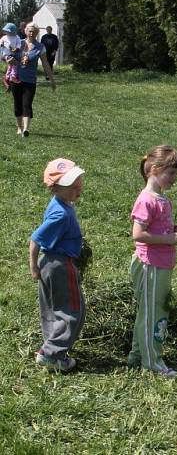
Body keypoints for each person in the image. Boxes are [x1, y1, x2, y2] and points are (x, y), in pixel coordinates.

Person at [128, 145, 177, 377]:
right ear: (155, 169)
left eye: (176, 175)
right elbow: (138, 234)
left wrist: (170, 230)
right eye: (171, 173)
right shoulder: (146, 200)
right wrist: (167, 238)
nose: (174, 179)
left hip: (160, 264)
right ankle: (153, 362)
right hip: (150, 264)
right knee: (154, 313)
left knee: (148, 311)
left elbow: (154, 227)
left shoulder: (160, 197)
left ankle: (138, 354)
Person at [29, 158, 87, 372]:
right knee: (73, 310)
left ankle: (51, 348)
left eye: (78, 181)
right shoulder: (61, 214)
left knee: (52, 308)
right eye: (72, 185)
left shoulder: (62, 203)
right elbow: (35, 239)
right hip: (60, 264)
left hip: (51, 263)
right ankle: (52, 354)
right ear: (55, 188)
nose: (78, 186)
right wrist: (33, 267)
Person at [9, 22, 56, 136]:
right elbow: (8, 55)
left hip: (30, 80)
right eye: (29, 31)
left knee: (27, 103)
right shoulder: (18, 43)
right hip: (16, 78)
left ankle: (26, 129)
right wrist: (8, 59)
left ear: (37, 33)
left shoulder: (40, 47)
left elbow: (45, 64)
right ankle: (19, 128)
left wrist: (52, 80)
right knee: (18, 104)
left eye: (34, 31)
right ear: (25, 31)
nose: (31, 33)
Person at [1, 22, 21, 90]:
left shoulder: (17, 37)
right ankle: (13, 76)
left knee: (11, 66)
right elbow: (1, 42)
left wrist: (16, 48)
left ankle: (7, 78)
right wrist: (1, 44)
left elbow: (19, 44)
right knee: (15, 63)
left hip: (14, 54)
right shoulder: (4, 37)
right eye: (6, 31)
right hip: (6, 54)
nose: (7, 33)